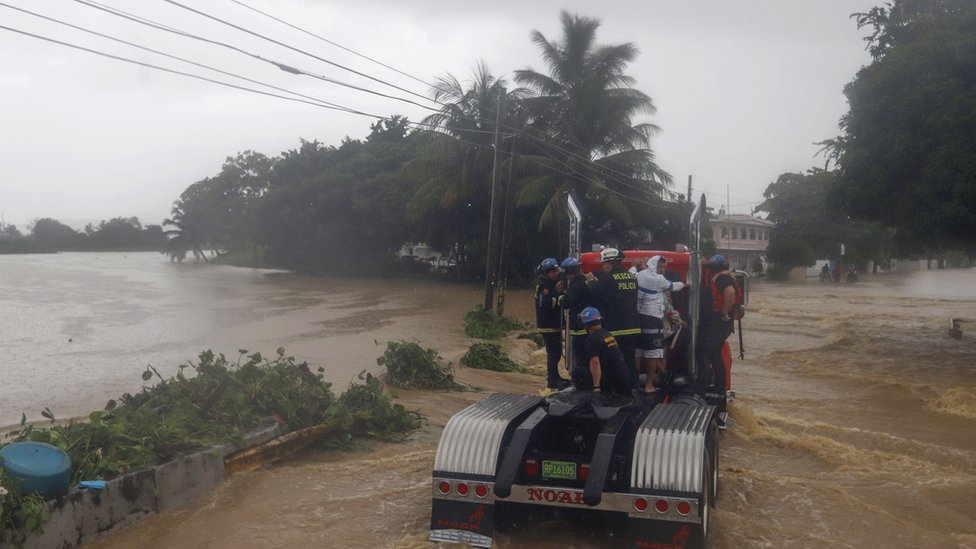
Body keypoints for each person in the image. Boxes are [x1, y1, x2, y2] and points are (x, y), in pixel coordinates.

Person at [586, 248, 641, 388]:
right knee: (630, 360)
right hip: (633, 327)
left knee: (614, 361)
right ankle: (634, 388)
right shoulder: (631, 277)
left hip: (616, 328)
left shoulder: (607, 279)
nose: (603, 267)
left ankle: (619, 389)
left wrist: (590, 280)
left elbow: (593, 291)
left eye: (605, 264)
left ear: (613, 263)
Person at [636, 255, 687, 392]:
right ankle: (649, 385)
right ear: (654, 265)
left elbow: (631, 273)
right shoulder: (659, 280)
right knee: (655, 353)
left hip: (638, 319)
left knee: (638, 352)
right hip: (653, 320)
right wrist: (685, 284)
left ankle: (634, 383)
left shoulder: (639, 275)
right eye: (660, 266)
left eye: (664, 267)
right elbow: (673, 287)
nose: (663, 270)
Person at [696, 254, 737, 426]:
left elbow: (729, 292)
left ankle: (702, 386)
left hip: (720, 321)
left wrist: (724, 313)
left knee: (706, 351)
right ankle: (719, 385)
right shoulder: (726, 275)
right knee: (715, 353)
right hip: (720, 322)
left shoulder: (721, 279)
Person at [575, 307, 632, 394]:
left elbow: (595, 363)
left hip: (611, 380)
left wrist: (596, 387)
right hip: (623, 377)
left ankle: (588, 399)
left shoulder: (591, 340)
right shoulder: (607, 334)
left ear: (587, 325)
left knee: (577, 372)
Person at [535, 257, 568, 389]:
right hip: (548, 325)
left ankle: (555, 377)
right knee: (553, 353)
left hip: (554, 324)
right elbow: (546, 303)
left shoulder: (550, 283)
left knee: (557, 352)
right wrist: (559, 295)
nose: (557, 274)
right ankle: (552, 381)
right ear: (546, 272)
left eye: (557, 271)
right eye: (554, 272)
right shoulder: (545, 285)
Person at [560, 257, 590, 374]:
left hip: (578, 328)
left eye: (568, 273)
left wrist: (560, 297)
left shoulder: (575, 286)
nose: (568, 276)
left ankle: (580, 381)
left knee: (580, 356)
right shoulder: (587, 282)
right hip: (589, 326)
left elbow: (566, 303)